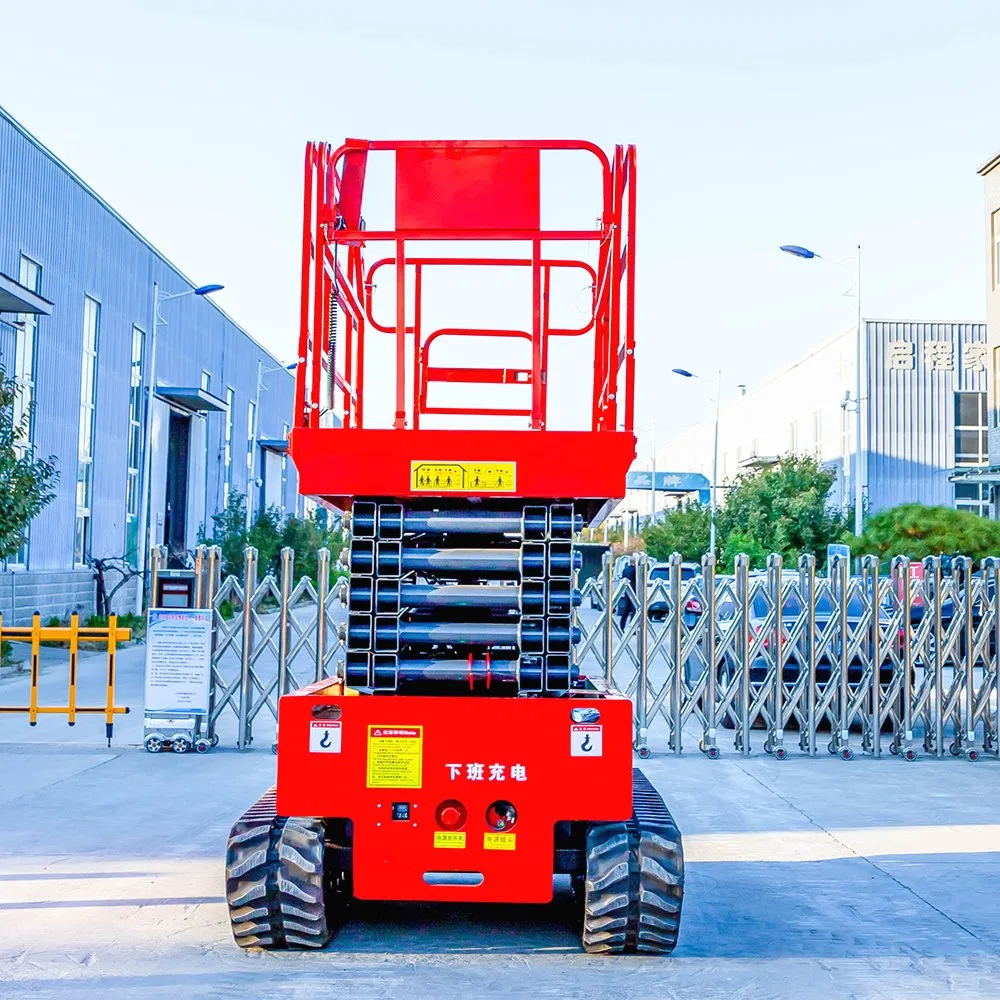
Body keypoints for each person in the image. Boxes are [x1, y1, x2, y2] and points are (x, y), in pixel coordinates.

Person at [618, 558, 637, 630]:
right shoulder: (636, 570)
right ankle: (632, 628)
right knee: (634, 610)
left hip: (627, 591)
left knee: (626, 609)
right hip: (634, 592)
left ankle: (622, 626)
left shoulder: (625, 570)